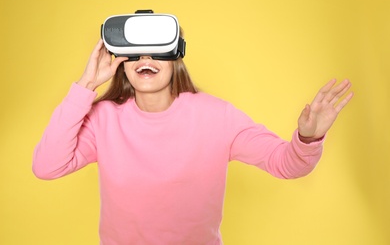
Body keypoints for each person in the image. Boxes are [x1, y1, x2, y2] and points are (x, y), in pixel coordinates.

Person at [33, 21, 353, 244]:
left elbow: (286, 164)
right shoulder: (104, 119)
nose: (146, 58)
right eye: (137, 51)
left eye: (158, 49)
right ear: (122, 61)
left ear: (176, 57)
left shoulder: (216, 116)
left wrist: (308, 139)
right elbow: (46, 167)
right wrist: (87, 84)